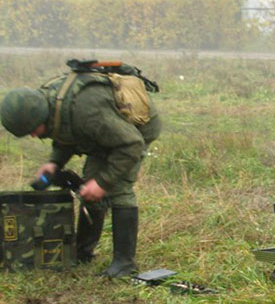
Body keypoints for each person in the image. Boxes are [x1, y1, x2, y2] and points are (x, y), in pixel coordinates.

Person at [1, 65, 162, 278]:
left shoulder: (88, 113)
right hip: (106, 131)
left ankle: (124, 264)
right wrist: (54, 163)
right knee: (89, 186)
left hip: (134, 133)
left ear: (39, 117)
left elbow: (131, 145)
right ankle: (83, 253)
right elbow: (64, 131)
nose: (32, 136)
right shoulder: (52, 104)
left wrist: (103, 182)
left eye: (32, 130)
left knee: (118, 188)